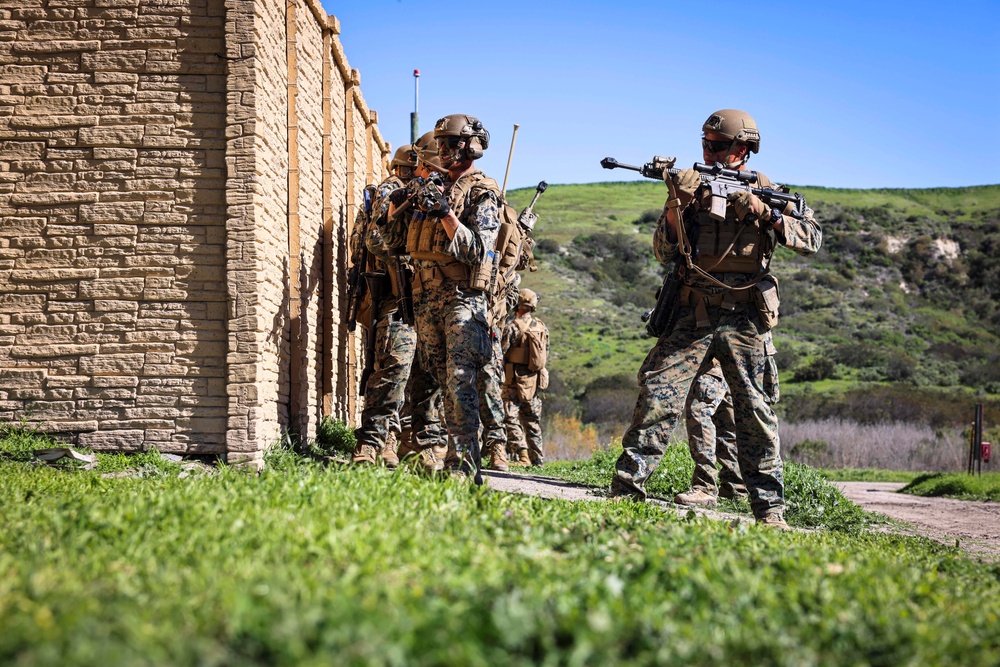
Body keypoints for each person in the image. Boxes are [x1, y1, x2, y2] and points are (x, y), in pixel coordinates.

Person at [610, 109, 822, 528]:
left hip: (745, 318)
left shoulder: (772, 191)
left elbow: (811, 239)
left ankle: (769, 509)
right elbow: (664, 252)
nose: (708, 151)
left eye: (718, 146)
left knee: (755, 412)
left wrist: (766, 213)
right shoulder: (691, 188)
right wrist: (677, 204)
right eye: (705, 144)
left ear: (743, 148)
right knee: (657, 394)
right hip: (693, 311)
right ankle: (626, 490)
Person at [385, 114, 502, 481]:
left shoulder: (482, 192)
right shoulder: (431, 185)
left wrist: (447, 213)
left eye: (452, 144)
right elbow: (389, 242)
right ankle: (448, 455)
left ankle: (463, 466)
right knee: (440, 381)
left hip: (460, 297)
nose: (445, 151)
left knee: (460, 379)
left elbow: (479, 251)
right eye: (442, 145)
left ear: (472, 147)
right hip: (424, 296)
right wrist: (398, 204)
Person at [676, 333, 781, 507]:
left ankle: (705, 487)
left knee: (699, 410)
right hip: (740, 357)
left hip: (722, 354)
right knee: (727, 419)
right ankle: (734, 487)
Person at [502, 288, 550, 466]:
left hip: (514, 378)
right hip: (534, 378)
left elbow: (501, 352)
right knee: (532, 420)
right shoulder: (541, 326)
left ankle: (522, 455)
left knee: (508, 416)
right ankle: (538, 459)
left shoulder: (512, 326)